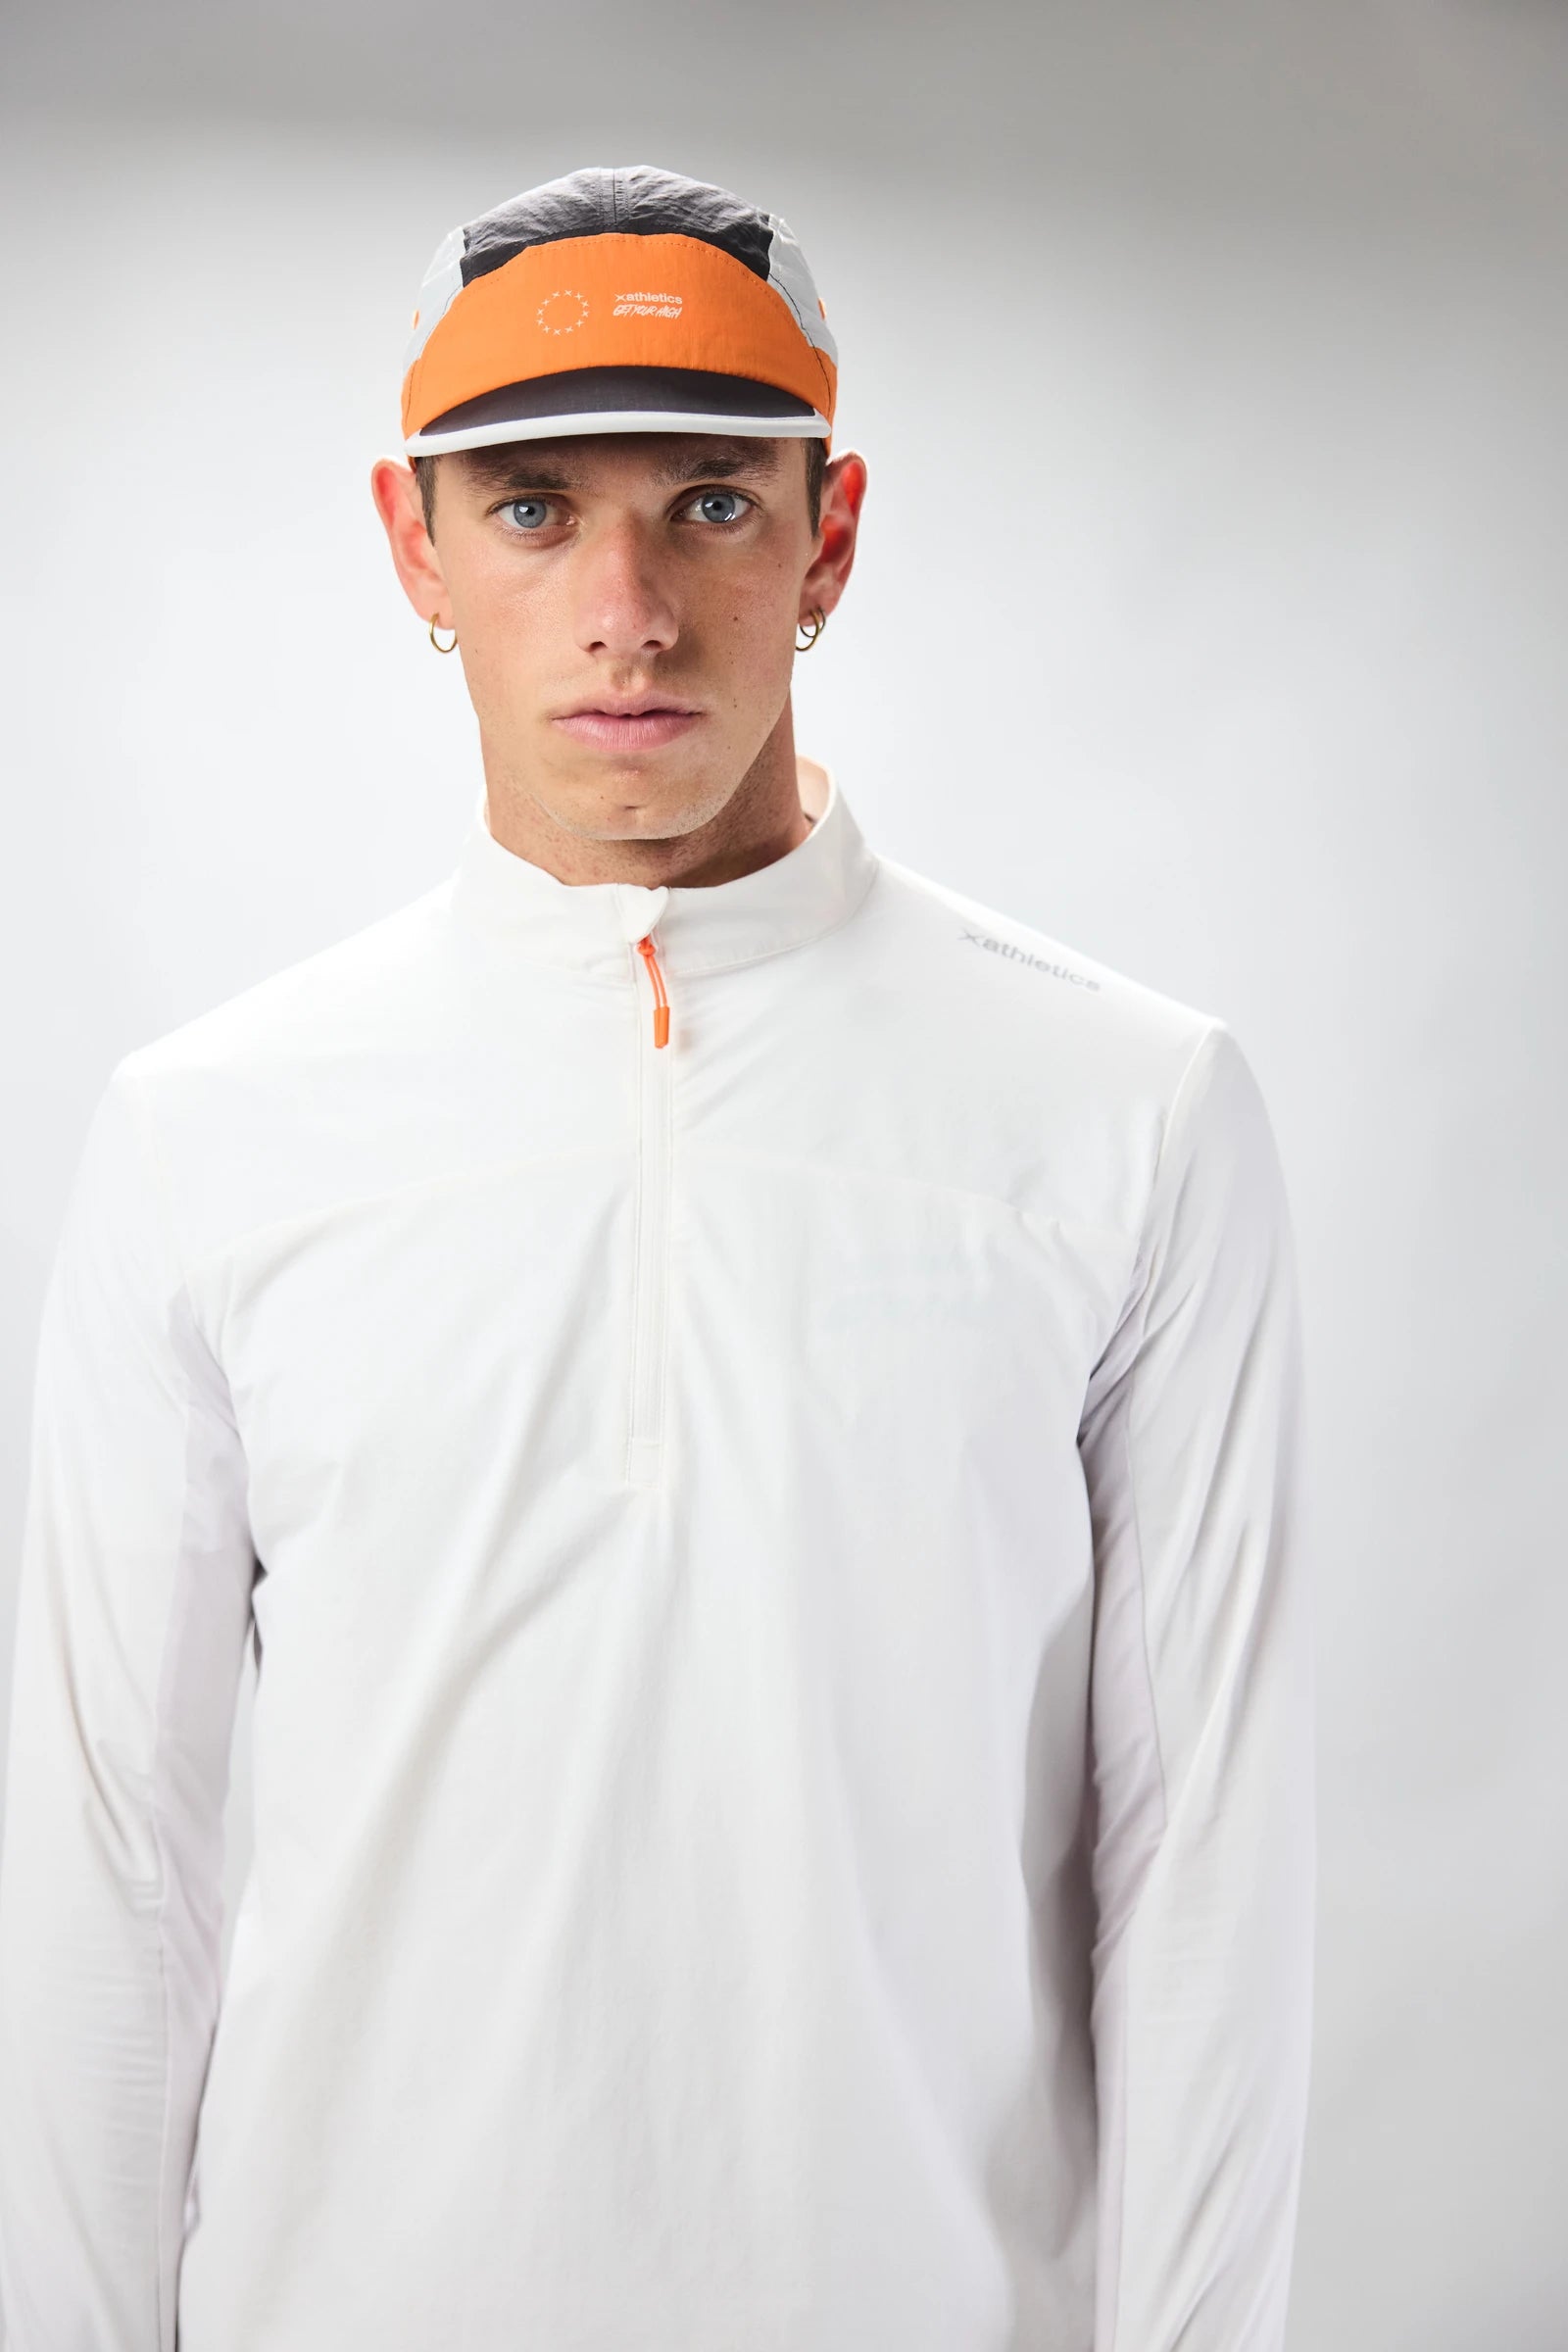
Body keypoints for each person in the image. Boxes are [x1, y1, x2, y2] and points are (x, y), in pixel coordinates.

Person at [0, 165, 1316, 2351]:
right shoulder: (207, 1134)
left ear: (832, 533)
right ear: (414, 545)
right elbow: (109, 1870)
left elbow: (1205, 1863)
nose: (626, 608)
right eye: (532, 509)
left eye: (709, 503)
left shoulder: (1130, 1113)